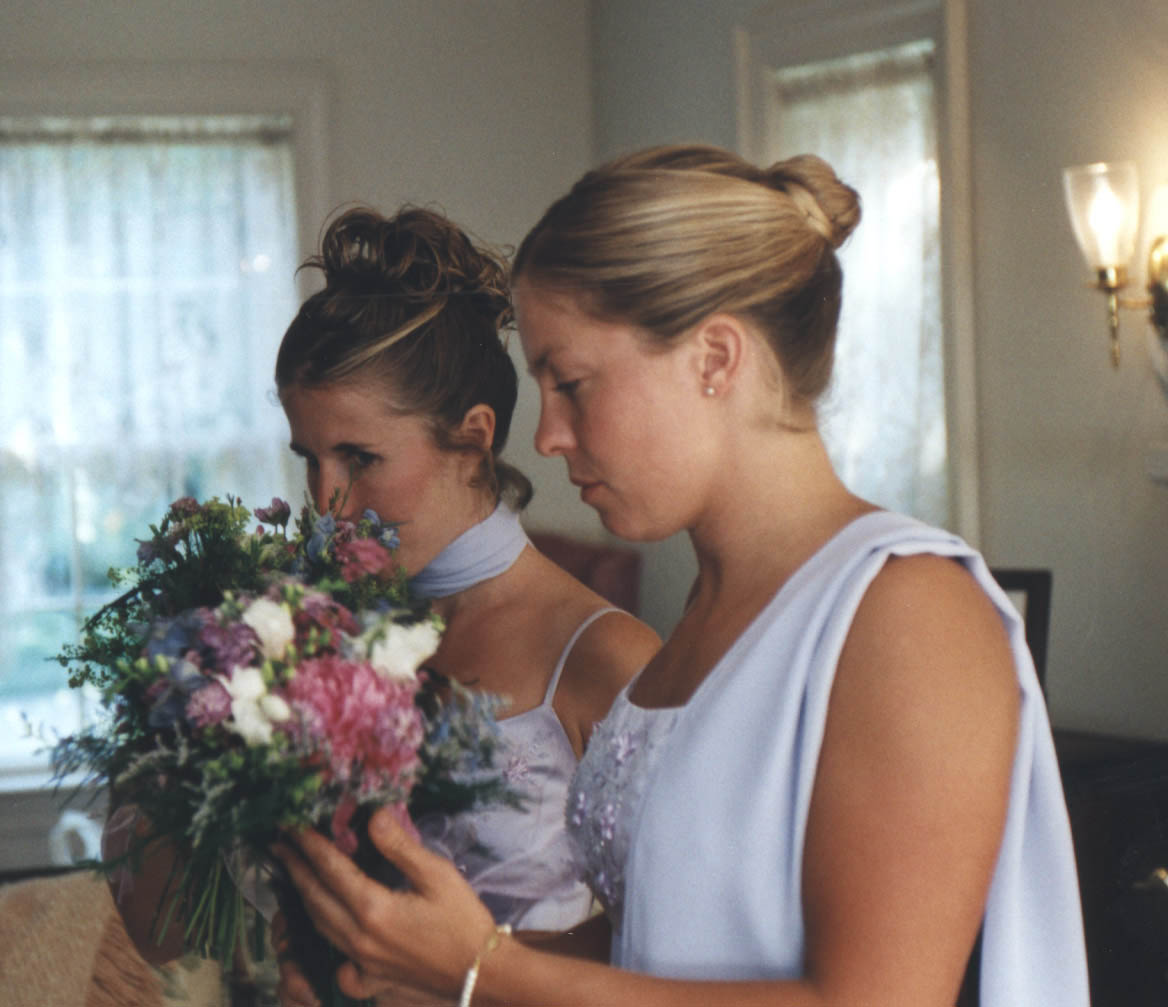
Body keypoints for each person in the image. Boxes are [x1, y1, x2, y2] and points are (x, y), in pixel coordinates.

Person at [272, 147, 1089, 1007]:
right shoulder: (697, 624)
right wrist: (408, 968)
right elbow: (655, 942)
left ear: (714, 358)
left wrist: (482, 970)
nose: (545, 435)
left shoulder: (908, 608)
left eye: (572, 382)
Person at [105, 206, 661, 1002]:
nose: (326, 502)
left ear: (472, 438)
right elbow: (164, 927)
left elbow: (678, 956)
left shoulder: (609, 658)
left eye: (360, 457)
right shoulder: (293, 642)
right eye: (309, 457)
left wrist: (455, 972)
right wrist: (171, 728)